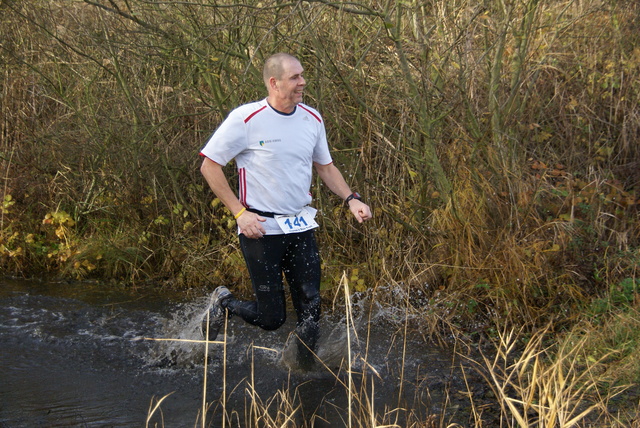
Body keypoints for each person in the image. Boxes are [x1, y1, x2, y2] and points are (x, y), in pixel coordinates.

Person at [198, 52, 372, 368]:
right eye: (295, 77)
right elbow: (209, 166)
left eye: (302, 75)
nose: (302, 82)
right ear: (274, 82)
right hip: (260, 229)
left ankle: (303, 371)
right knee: (271, 318)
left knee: (311, 308)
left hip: (300, 227)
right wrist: (239, 213)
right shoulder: (245, 119)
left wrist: (352, 199)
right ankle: (224, 303)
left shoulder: (312, 118)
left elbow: (326, 167)